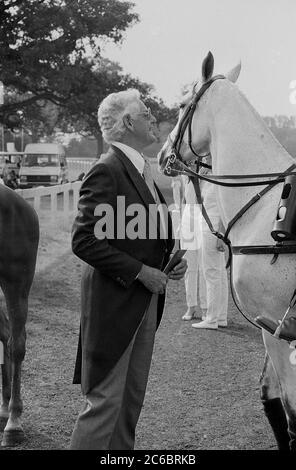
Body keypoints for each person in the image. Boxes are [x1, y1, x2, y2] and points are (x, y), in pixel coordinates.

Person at [70, 89, 187, 450]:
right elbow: (84, 240)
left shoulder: (141, 168)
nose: (154, 117)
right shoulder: (106, 169)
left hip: (144, 301)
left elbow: (130, 232)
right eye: (147, 112)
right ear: (128, 122)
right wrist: (140, 271)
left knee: (129, 402)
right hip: (115, 303)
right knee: (105, 403)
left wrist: (166, 261)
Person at [192, 159, 229, 330]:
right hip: (209, 226)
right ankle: (220, 317)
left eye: (207, 158)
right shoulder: (210, 176)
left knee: (212, 272)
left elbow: (224, 207)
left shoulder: (218, 178)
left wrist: (221, 234)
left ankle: (212, 318)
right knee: (218, 272)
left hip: (212, 228)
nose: (204, 161)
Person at [171, 172, 207, 321]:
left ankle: (206, 308)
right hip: (188, 215)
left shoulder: (206, 169)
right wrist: (180, 221)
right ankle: (191, 306)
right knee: (189, 265)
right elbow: (182, 198)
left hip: (204, 216)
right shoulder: (184, 172)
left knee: (204, 265)